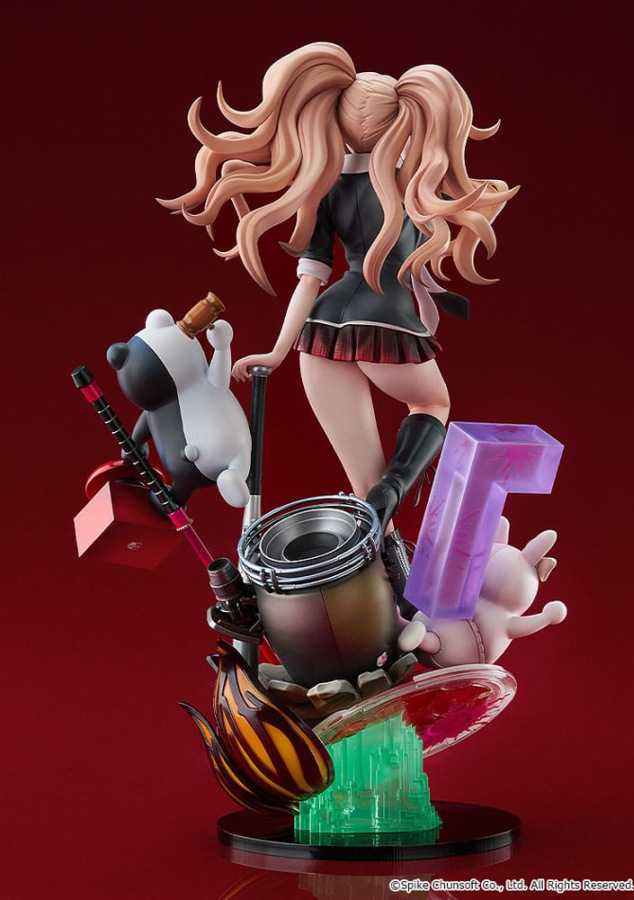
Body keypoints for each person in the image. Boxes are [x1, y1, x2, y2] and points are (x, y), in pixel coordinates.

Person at [158, 42, 517, 603]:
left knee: (362, 483)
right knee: (432, 405)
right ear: (402, 122)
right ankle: (394, 497)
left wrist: (278, 352)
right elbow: (425, 254)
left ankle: (392, 589)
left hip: (321, 334)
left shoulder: (326, 188)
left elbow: (310, 279)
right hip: (387, 324)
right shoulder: (413, 185)